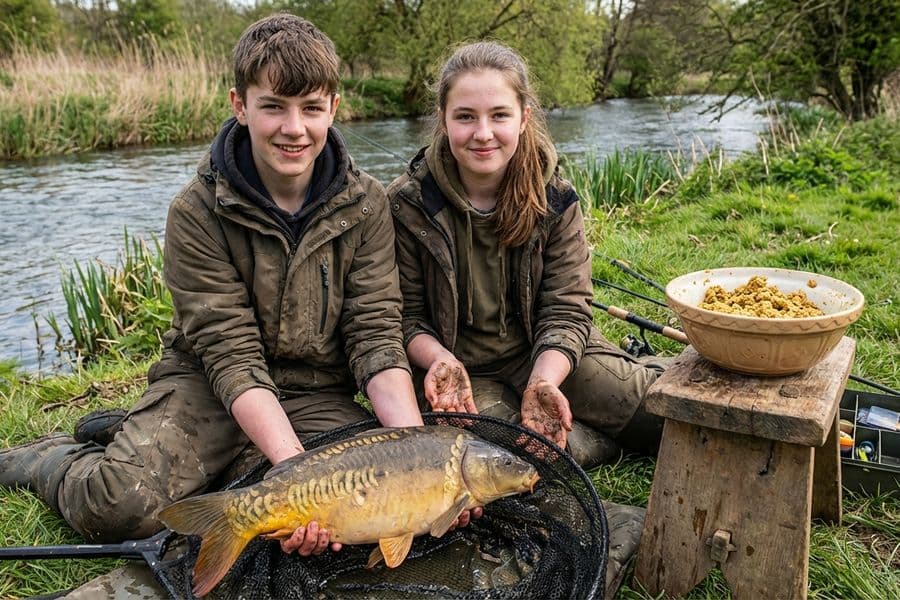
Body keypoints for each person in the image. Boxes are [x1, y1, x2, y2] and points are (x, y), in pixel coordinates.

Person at [0, 13, 424, 560]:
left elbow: (375, 336)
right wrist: (295, 475)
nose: (294, 128)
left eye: (311, 109)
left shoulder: (366, 204)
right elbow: (231, 355)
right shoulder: (197, 210)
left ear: (334, 110)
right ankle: (49, 457)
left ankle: (165, 442)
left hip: (316, 390)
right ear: (239, 105)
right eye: (273, 106)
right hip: (209, 384)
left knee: (353, 514)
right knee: (119, 505)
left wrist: (418, 454)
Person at [387, 41, 668, 470]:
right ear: (443, 120)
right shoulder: (405, 205)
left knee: (664, 420)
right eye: (465, 116)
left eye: (499, 115)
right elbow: (403, 318)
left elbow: (567, 309)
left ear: (524, 118)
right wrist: (439, 359)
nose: (483, 133)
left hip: (549, 354)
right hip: (462, 374)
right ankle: (594, 445)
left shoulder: (555, 197)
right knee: (503, 462)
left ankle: (631, 389)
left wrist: (544, 379)